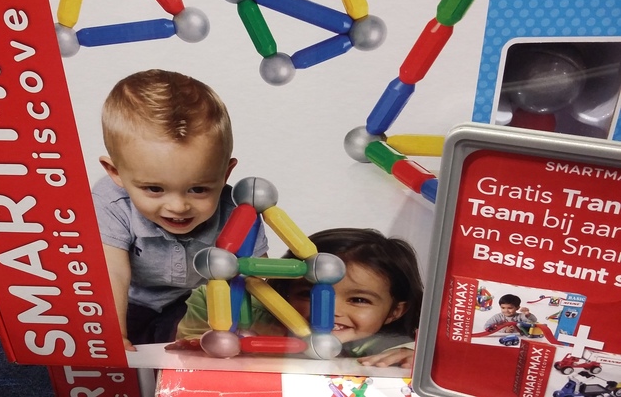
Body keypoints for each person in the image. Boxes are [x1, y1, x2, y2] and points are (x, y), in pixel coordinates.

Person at [92, 69, 269, 351]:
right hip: (126, 300)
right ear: (116, 172)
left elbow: (257, 276)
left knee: (173, 354)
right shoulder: (111, 202)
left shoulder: (237, 211)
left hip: (183, 302)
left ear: (225, 174)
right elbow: (112, 273)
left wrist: (267, 330)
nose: (178, 206)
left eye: (198, 189)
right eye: (154, 189)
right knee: (119, 352)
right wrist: (115, 335)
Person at [173, 228, 424, 368]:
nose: (329, 311)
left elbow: (418, 353)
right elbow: (205, 304)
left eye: (358, 300)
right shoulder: (249, 321)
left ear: (395, 311)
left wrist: (418, 360)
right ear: (286, 293)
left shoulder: (391, 346)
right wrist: (207, 340)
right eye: (307, 293)